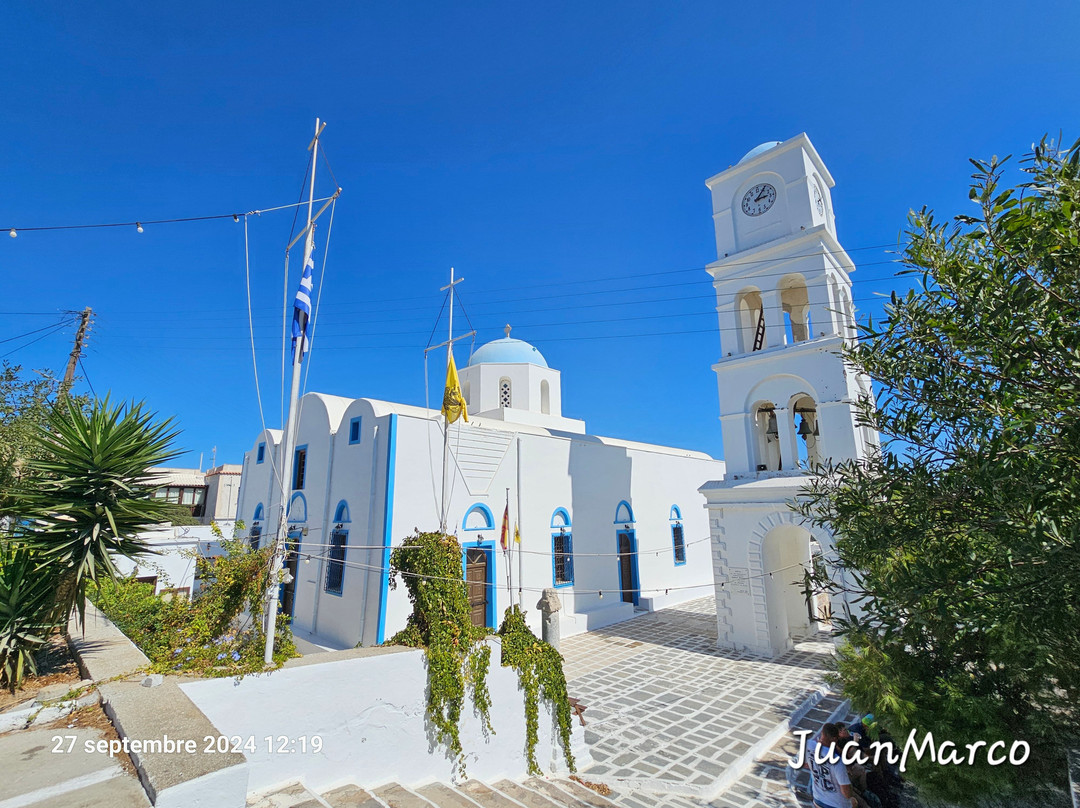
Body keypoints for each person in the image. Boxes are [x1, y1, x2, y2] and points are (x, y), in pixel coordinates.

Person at [805, 722, 859, 808]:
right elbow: (847, 794)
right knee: (854, 802)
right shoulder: (837, 761)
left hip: (817, 801)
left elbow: (804, 764)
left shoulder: (808, 745)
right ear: (834, 739)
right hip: (836, 805)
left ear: (822, 733)